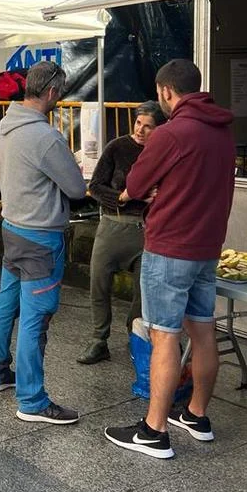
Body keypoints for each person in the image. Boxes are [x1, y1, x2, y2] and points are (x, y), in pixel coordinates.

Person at [105, 59, 235, 459]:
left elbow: (134, 184)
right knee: (203, 331)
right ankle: (196, 415)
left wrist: (149, 189)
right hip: (207, 248)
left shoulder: (170, 133)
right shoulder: (223, 131)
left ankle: (154, 431)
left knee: (163, 334)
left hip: (169, 248)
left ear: (165, 91)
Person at [0, 61, 86, 425]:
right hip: (41, 236)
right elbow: (76, 188)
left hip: (13, 227)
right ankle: (32, 400)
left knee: (6, 302)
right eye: (61, 94)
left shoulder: (7, 123)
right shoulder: (46, 137)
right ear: (52, 92)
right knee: (35, 318)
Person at [78, 101, 166, 365]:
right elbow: (95, 187)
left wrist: (152, 198)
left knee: (143, 291)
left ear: (159, 129)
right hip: (112, 225)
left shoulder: (162, 152)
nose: (140, 130)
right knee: (99, 283)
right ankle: (99, 339)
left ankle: (135, 336)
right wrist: (125, 196)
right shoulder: (117, 147)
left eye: (148, 126)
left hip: (146, 230)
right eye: (138, 123)